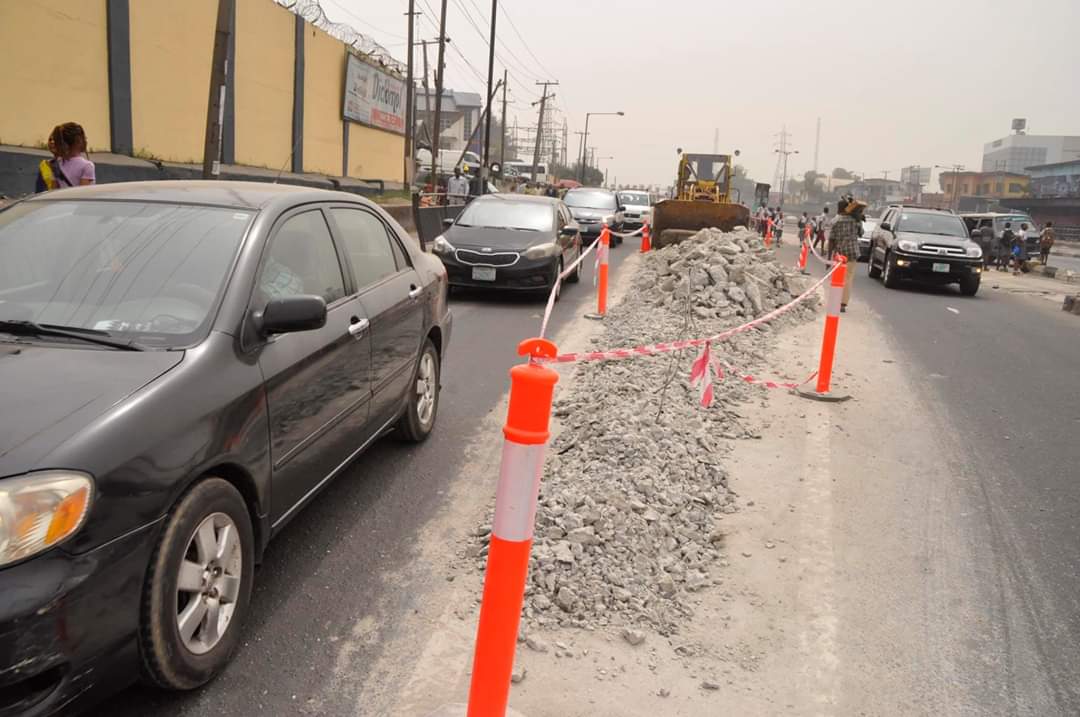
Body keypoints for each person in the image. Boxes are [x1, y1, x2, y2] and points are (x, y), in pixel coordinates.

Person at [35, 122, 95, 192]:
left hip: (60, 202)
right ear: (79, 141)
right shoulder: (87, 166)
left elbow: (53, 190)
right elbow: (84, 195)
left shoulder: (54, 164)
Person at [827, 197, 861, 312]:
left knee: (837, 278)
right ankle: (843, 303)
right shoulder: (855, 220)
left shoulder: (835, 221)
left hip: (840, 253)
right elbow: (861, 233)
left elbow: (831, 240)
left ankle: (836, 300)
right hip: (852, 252)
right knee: (848, 278)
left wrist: (828, 258)